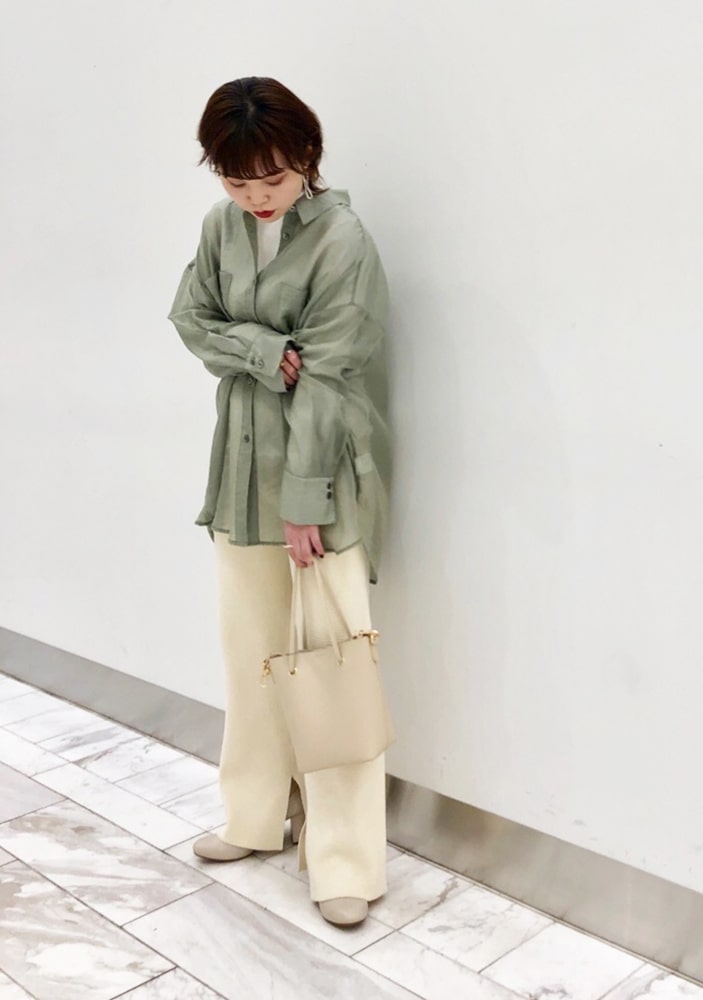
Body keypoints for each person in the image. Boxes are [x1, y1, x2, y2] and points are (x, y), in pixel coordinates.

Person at [168, 77, 390, 927]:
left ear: (307, 157)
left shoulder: (342, 239)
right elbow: (190, 318)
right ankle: (255, 817)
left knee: (333, 669)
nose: (256, 197)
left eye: (272, 178)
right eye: (236, 180)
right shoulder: (220, 227)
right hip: (239, 473)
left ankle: (345, 860)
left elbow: (328, 375)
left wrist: (306, 500)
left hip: (320, 477)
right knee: (251, 658)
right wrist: (262, 349)